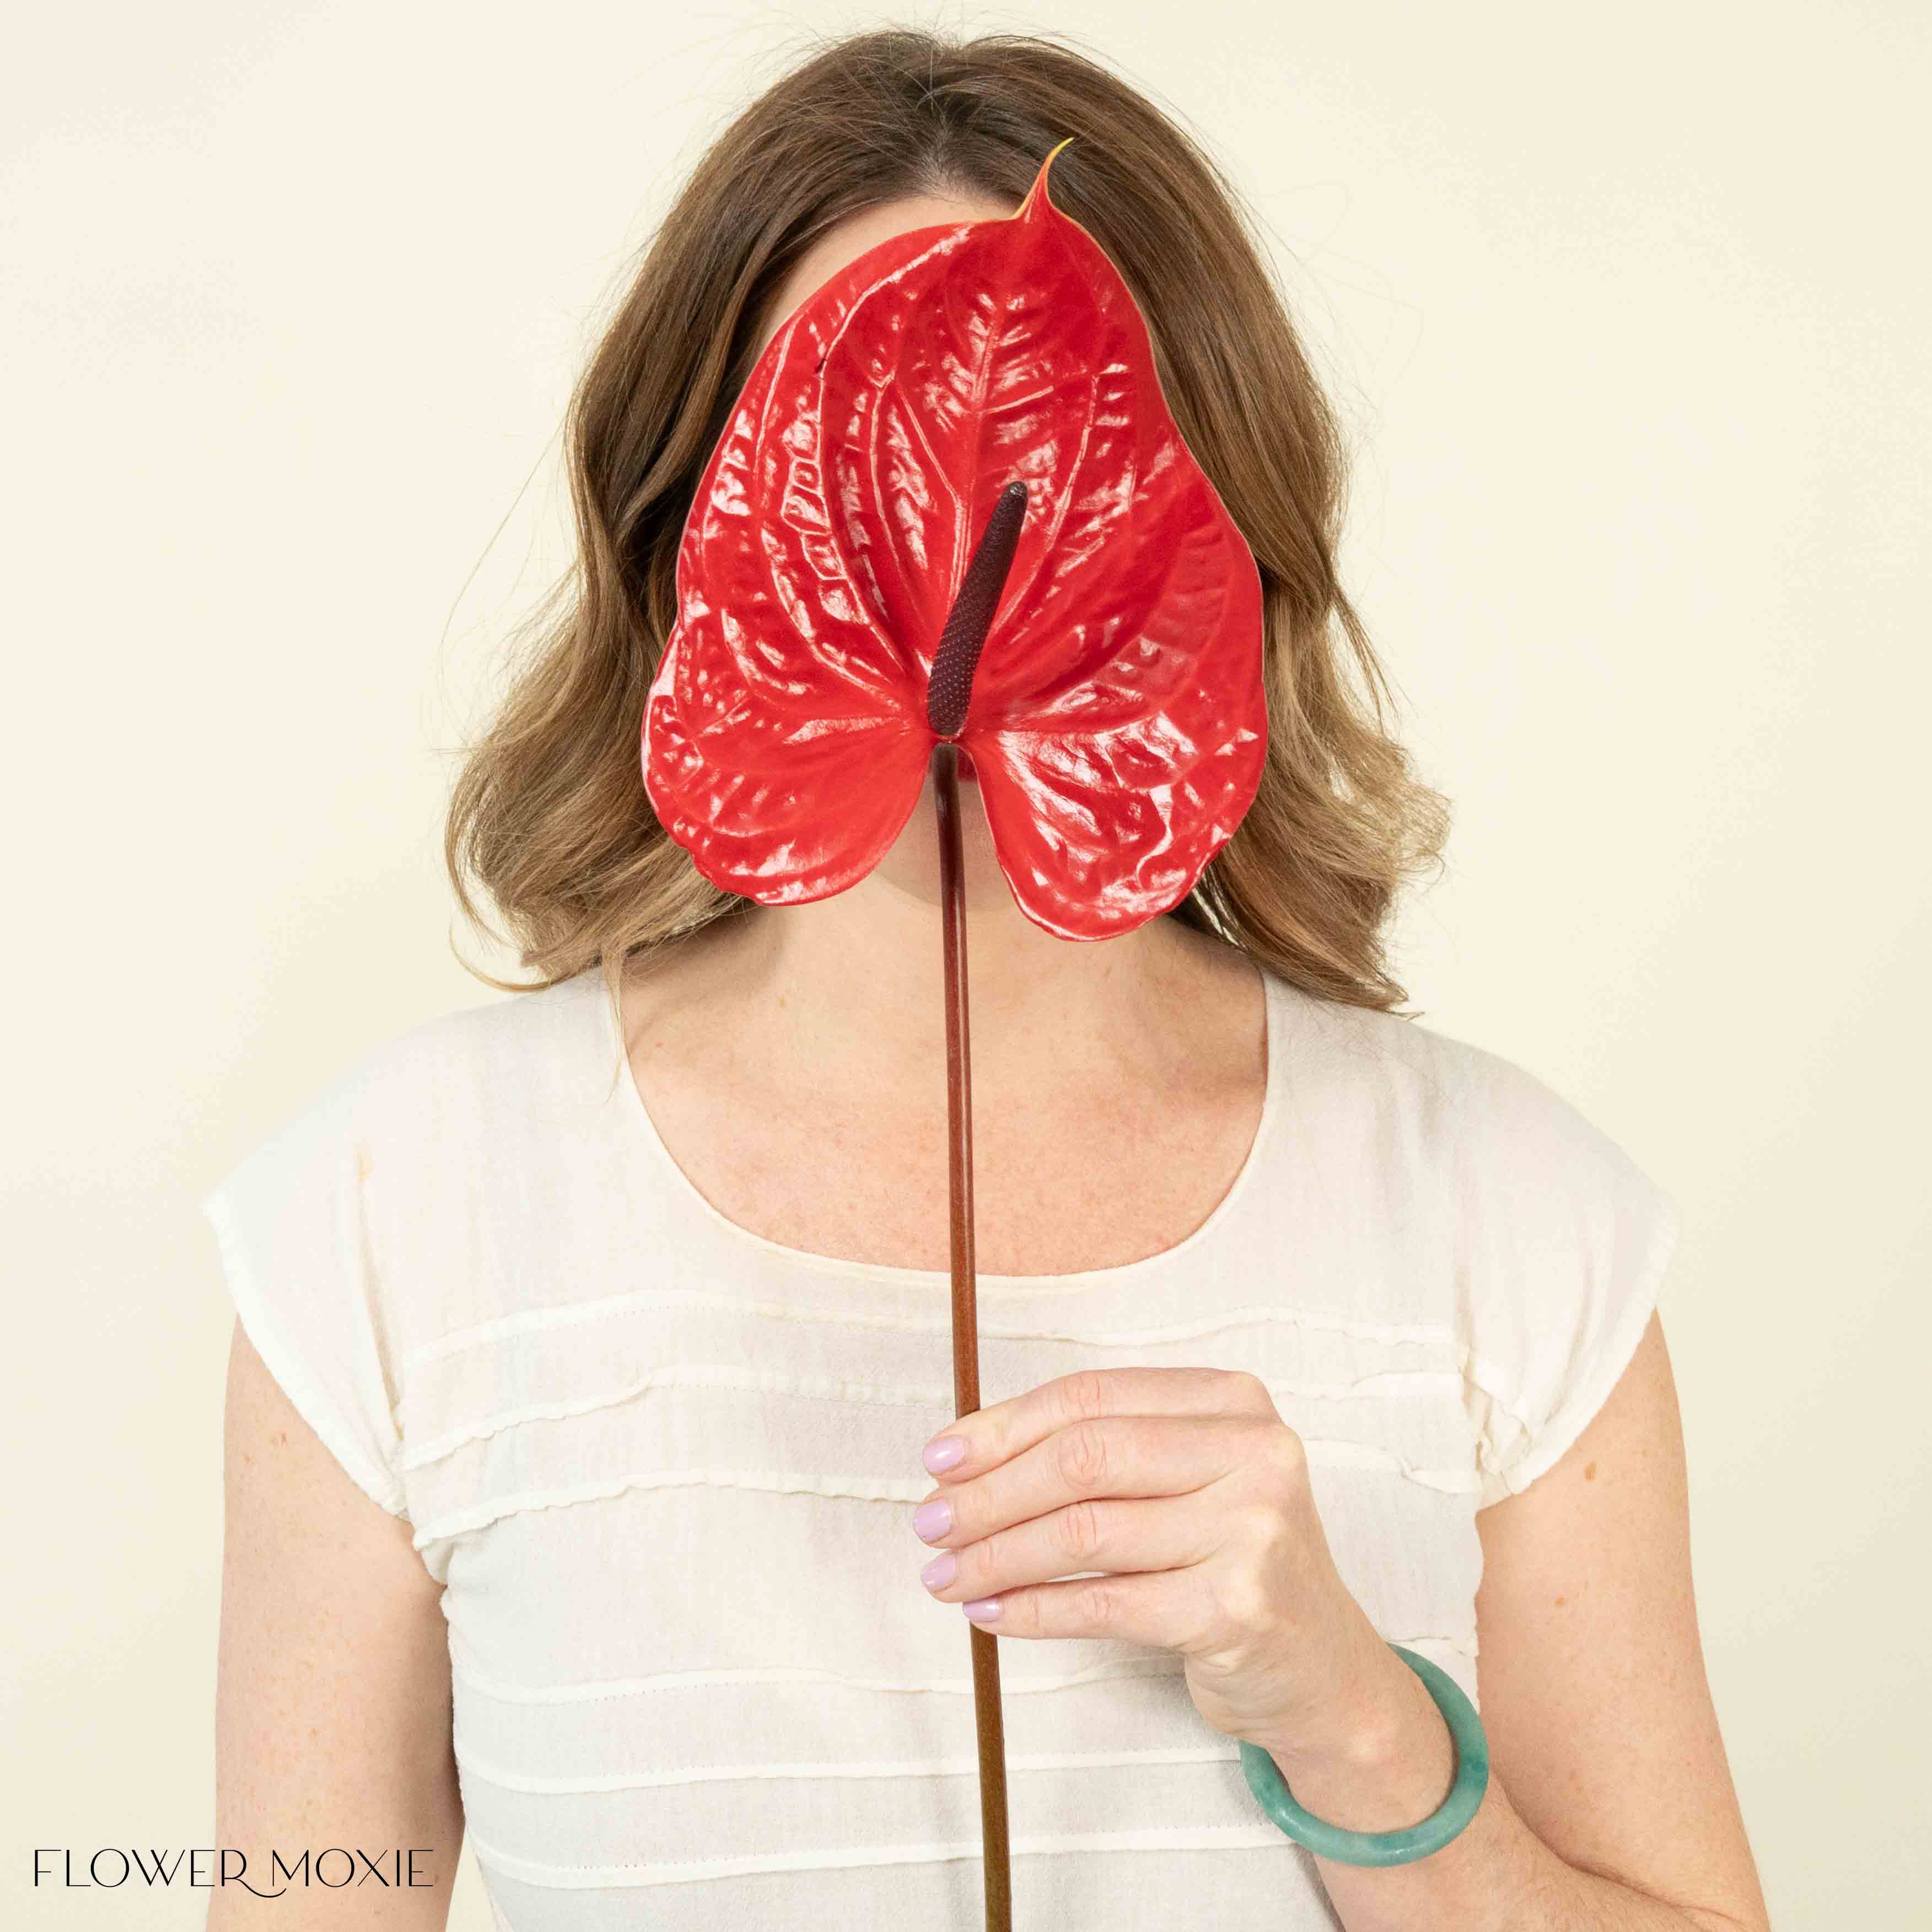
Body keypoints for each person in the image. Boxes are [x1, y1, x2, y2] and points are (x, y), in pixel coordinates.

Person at [204, 29, 1769, 1932]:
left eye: (1040, 484)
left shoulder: (1504, 1221)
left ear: (1213, 541)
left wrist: (1358, 1722)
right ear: (688, 525)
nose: (954, 588)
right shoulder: (392, 1215)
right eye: (852, 472)